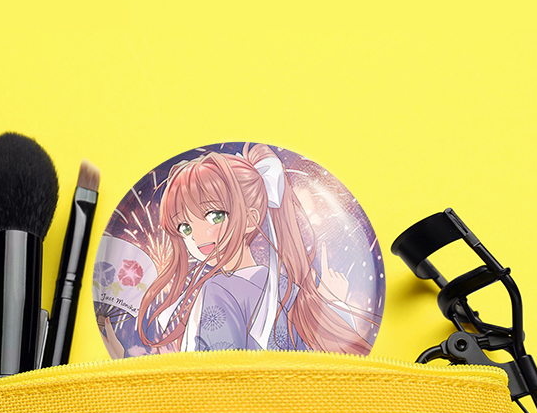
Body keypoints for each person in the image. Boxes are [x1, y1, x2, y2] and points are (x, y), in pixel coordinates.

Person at [135, 144, 373, 355]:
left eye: (215, 216)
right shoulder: (288, 287)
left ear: (251, 219)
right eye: (185, 228)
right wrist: (334, 305)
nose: (196, 236)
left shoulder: (217, 289)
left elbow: (217, 374)